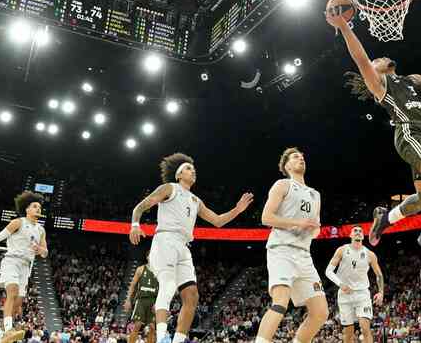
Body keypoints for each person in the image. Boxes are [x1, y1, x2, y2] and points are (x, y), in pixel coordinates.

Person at [325, 6, 421, 264]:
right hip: (409, 135)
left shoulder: (412, 79)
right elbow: (361, 59)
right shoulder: (380, 85)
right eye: (376, 60)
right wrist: (343, 27)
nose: (379, 57)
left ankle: (386, 219)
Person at [128, 153, 254, 343]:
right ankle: (162, 337)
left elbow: (217, 221)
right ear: (178, 175)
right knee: (168, 285)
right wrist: (135, 225)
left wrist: (237, 209)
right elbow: (142, 206)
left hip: (184, 246)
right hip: (165, 240)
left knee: (192, 296)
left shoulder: (196, 200)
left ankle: (177, 340)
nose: (192, 171)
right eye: (188, 168)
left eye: (193, 169)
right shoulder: (169, 188)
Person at [255, 147, 328, 343]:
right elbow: (266, 217)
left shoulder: (315, 195)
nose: (301, 159)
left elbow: (315, 228)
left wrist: (314, 229)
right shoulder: (282, 185)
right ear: (287, 165)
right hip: (282, 250)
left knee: (321, 312)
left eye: (302, 157)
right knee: (280, 303)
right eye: (296, 157)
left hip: (304, 254)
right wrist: (298, 223)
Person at [0, 191, 48, 343]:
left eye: (39, 207)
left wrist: (41, 250)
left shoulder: (40, 230)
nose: (38, 209)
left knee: (18, 305)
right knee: (11, 292)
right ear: (27, 209)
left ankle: (2, 330)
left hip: (26, 266)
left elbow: (45, 253)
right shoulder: (18, 222)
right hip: (11, 262)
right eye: (35, 206)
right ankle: (8, 328)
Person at [325, 225, 385, 343]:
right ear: (350, 235)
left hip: (362, 294)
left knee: (365, 327)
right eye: (355, 231)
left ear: (363, 236)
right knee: (348, 332)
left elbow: (379, 275)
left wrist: (381, 292)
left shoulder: (370, 254)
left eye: (360, 231)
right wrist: (340, 284)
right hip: (344, 294)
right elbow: (328, 271)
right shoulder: (342, 250)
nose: (358, 232)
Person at [124, 256, 157, 343]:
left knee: (152, 327)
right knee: (137, 325)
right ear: (147, 257)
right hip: (141, 300)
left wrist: (158, 303)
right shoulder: (141, 269)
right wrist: (128, 300)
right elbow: (132, 285)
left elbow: (162, 289)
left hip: (153, 301)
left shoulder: (159, 270)